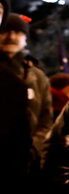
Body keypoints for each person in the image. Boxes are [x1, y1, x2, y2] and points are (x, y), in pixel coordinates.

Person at [0, 13, 52, 168]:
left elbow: (46, 118)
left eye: (18, 32)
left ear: (25, 39)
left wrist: (35, 146)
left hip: (28, 161)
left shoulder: (37, 76)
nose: (11, 37)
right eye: (5, 32)